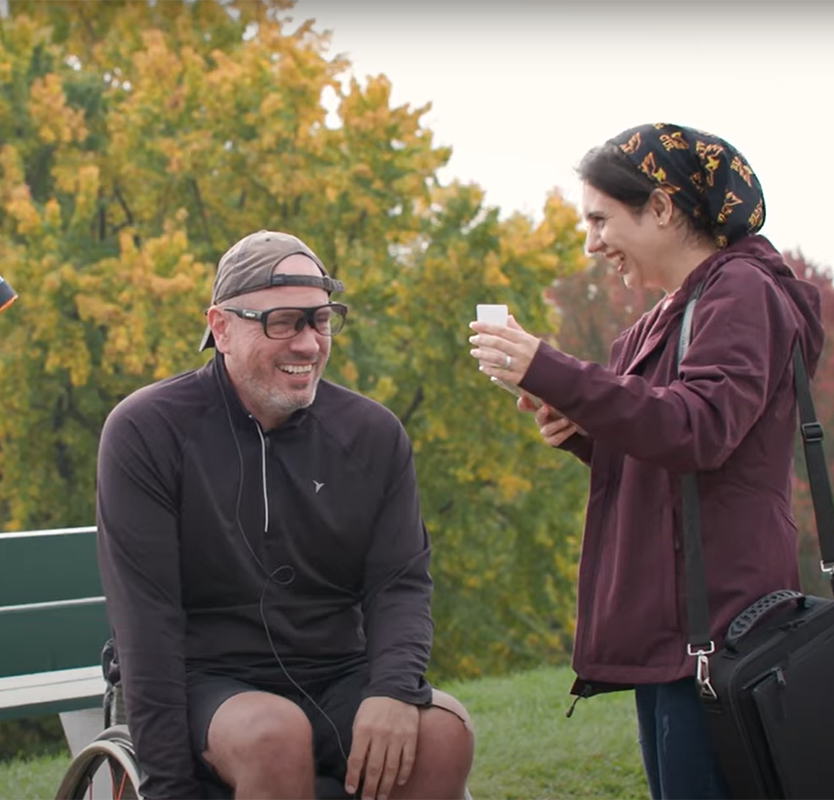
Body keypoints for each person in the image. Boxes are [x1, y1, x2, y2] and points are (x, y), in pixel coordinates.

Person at [469, 123, 823, 800]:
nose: (592, 243)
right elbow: (663, 455)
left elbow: (699, 429)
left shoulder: (742, 292)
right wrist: (580, 429)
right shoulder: (663, 318)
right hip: (671, 636)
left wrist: (554, 367)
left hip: (721, 630)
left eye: (601, 219)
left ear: (661, 207)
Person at [96, 230, 474, 800]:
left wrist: (395, 690)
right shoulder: (148, 430)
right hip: (205, 679)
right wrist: (170, 789)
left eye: (320, 321)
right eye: (283, 323)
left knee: (441, 731)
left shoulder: (372, 434)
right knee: (275, 733)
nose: (307, 343)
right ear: (221, 328)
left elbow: (400, 583)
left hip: (336, 672)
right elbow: (144, 624)